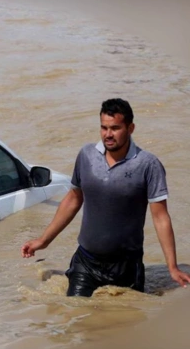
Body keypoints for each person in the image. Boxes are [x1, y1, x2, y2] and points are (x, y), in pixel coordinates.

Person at [21, 98, 190, 297]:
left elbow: (160, 217)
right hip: (86, 262)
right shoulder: (86, 156)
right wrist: (44, 240)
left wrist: (172, 267)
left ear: (130, 128)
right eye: (104, 128)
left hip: (126, 266)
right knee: (73, 315)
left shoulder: (148, 165)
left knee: (126, 323)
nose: (108, 134)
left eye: (115, 128)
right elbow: (73, 199)